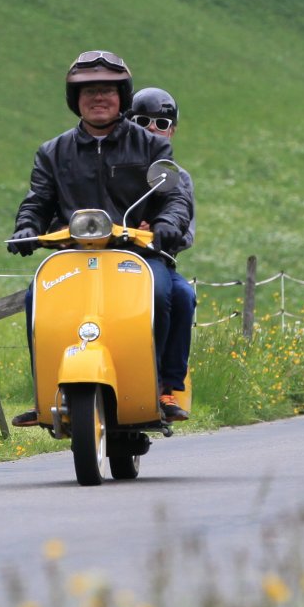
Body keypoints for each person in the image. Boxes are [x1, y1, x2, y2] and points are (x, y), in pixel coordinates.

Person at [6, 51, 193, 424]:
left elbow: (173, 197)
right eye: (88, 91)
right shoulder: (52, 152)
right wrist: (26, 227)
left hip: (136, 253)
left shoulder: (152, 146)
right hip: (74, 253)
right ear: (75, 99)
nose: (98, 98)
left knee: (167, 294)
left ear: (121, 97)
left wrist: (167, 223)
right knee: (35, 297)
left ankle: (162, 386)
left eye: (107, 90)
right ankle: (45, 392)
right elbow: (38, 201)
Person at [126, 87, 197, 412]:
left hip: (157, 259)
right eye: (142, 121)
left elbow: (187, 233)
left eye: (162, 122)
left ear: (172, 130)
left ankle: (167, 385)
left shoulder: (178, 176)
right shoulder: (114, 166)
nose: (152, 128)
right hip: (109, 257)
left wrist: (160, 232)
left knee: (182, 296)